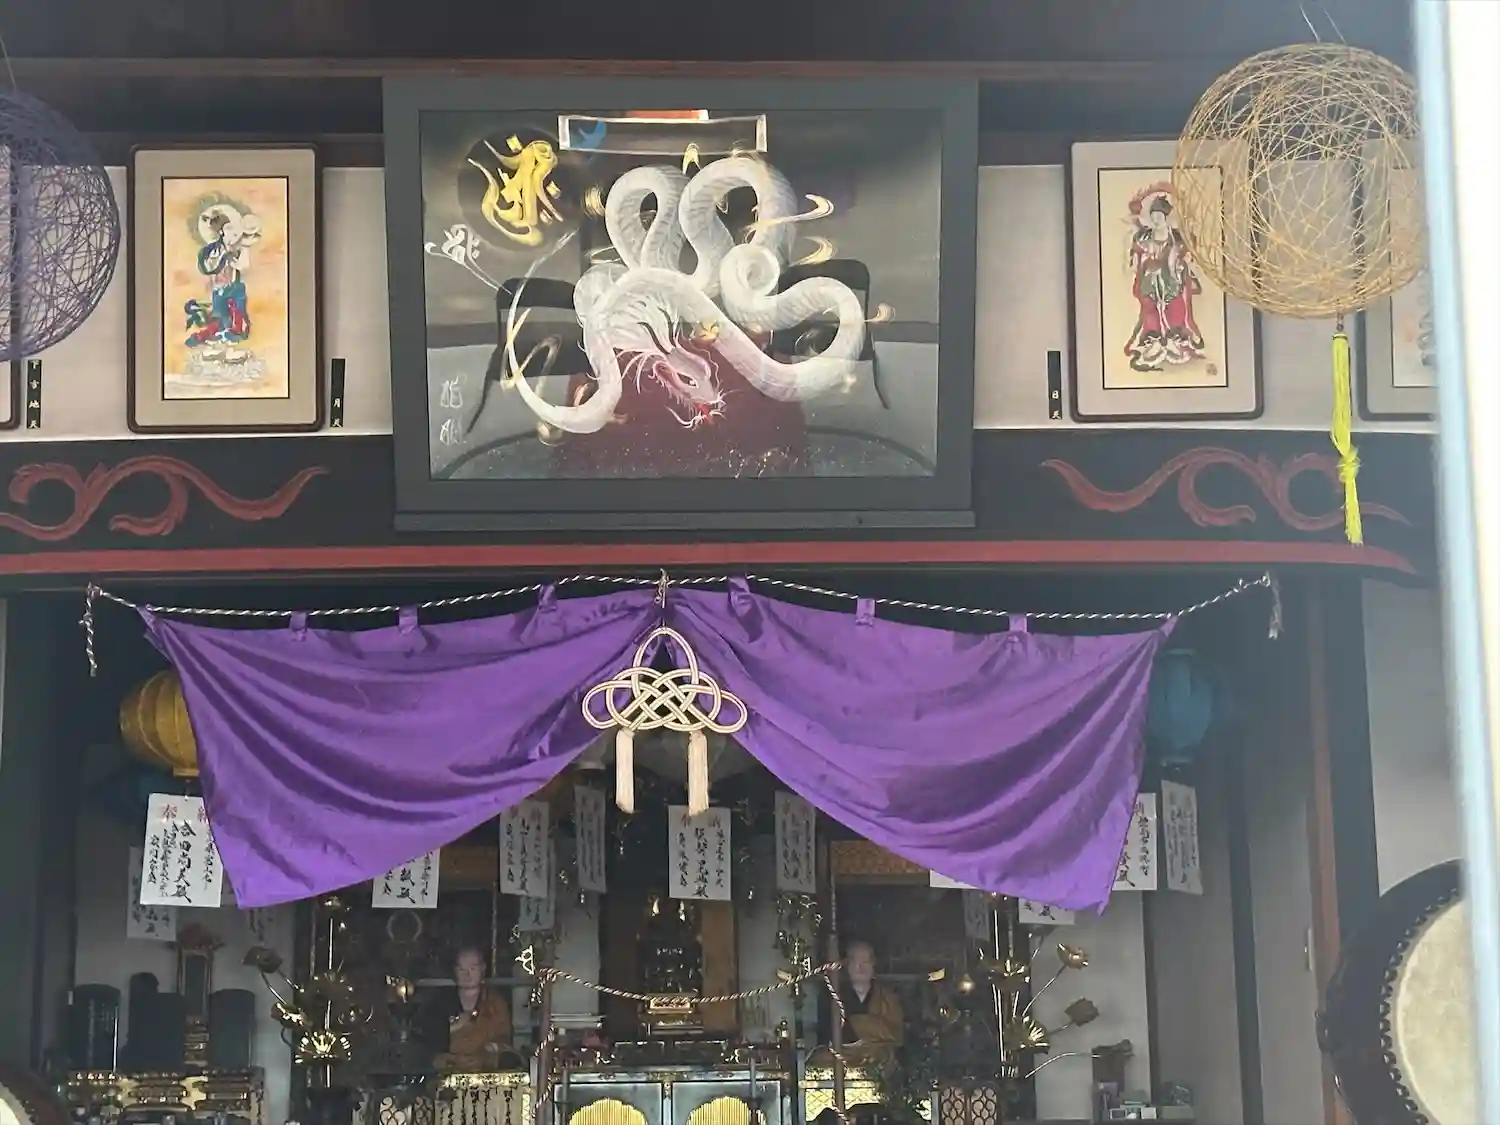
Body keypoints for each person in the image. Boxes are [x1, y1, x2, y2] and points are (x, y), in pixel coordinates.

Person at [430, 945, 514, 1072]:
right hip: (449, 1069)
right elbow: (428, 1040)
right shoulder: (439, 1003)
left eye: (473, 969)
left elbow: (504, 1040)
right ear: (455, 971)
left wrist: (485, 1054)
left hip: (485, 1070)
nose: (467, 975)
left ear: (482, 969)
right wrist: (452, 1027)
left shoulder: (496, 1003)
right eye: (461, 969)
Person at [836, 938, 904, 1061]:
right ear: (846, 964)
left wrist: (859, 1023)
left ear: (873, 964)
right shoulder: (834, 995)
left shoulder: (887, 996)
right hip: (843, 1058)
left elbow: (896, 1033)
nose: (860, 967)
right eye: (855, 961)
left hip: (878, 1057)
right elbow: (828, 1034)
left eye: (865, 962)